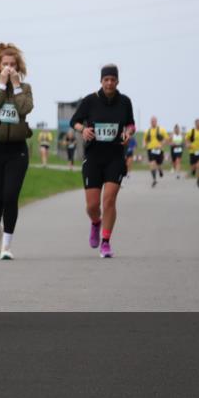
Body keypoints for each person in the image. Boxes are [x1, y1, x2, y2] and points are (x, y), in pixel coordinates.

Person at [70, 64, 135, 258]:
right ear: (101, 81)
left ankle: (106, 242)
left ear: (117, 81)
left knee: (109, 200)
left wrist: (128, 132)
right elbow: (75, 121)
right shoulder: (90, 101)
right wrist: (84, 130)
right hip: (93, 157)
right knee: (92, 206)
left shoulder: (124, 102)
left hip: (115, 156)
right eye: (106, 79)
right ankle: (96, 223)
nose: (109, 83)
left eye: (112, 79)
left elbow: (130, 123)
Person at [0, 42, 34, 261]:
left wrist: (16, 84)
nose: (9, 68)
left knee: (10, 197)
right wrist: (2, 86)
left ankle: (6, 246)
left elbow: (25, 108)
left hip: (17, 150)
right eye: (5, 64)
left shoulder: (26, 89)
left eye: (13, 65)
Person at [143, 116, 168, 187]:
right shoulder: (147, 131)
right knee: (152, 163)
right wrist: (144, 144)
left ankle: (160, 170)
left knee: (159, 164)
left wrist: (161, 144)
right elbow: (145, 140)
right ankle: (154, 179)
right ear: (150, 122)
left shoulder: (161, 130)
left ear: (156, 122)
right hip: (150, 149)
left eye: (154, 121)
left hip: (159, 150)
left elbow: (166, 139)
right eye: (152, 121)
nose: (153, 122)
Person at [187, 118, 199, 188]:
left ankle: (198, 180)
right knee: (193, 166)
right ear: (195, 124)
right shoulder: (191, 131)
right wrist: (188, 144)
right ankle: (193, 170)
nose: (198, 124)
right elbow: (186, 139)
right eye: (197, 123)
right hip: (193, 151)